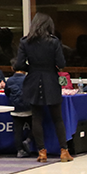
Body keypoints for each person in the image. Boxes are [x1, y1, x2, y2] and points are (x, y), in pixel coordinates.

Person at [13, 13, 73, 163]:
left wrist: (31, 68)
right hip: (51, 80)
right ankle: (64, 151)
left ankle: (41, 152)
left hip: (33, 80)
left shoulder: (25, 42)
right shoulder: (54, 42)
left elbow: (19, 64)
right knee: (57, 118)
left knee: (36, 118)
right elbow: (61, 63)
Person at [4, 68, 32, 157]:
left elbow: (7, 92)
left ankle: (19, 150)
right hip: (28, 108)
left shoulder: (10, 80)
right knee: (36, 126)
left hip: (15, 108)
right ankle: (28, 140)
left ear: (13, 69)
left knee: (17, 131)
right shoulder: (28, 79)